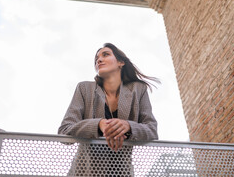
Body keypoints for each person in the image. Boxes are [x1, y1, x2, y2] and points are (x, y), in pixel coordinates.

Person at [58, 43, 160, 176]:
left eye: (105, 54)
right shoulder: (84, 89)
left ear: (120, 62)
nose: (99, 60)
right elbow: (64, 131)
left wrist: (128, 126)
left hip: (121, 172)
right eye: (96, 59)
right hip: (84, 172)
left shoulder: (138, 90)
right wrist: (98, 125)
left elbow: (152, 130)